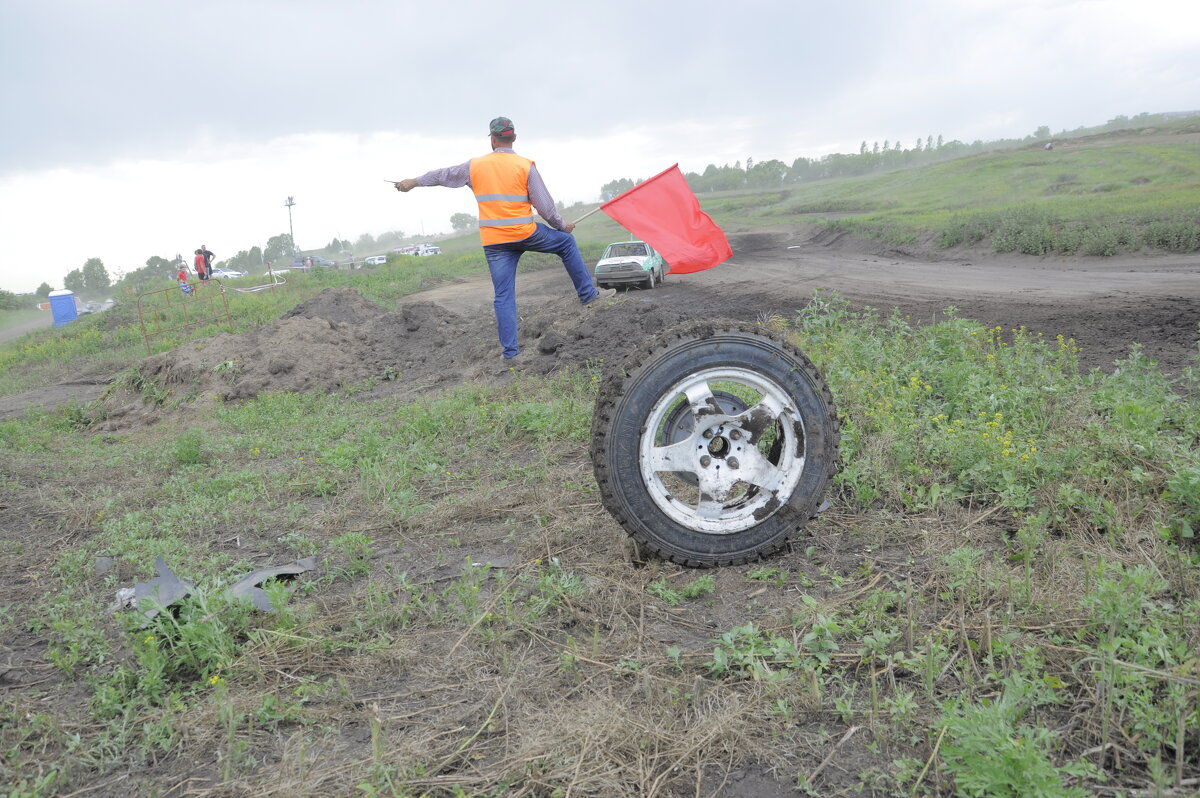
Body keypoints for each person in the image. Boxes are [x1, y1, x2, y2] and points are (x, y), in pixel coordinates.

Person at [394, 116, 615, 360]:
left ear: (493, 139)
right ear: (514, 138)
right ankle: (587, 295)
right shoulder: (525, 165)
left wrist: (413, 182)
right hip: (526, 233)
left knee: (504, 295)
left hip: (495, 242)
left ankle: (510, 353)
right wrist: (563, 226)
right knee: (566, 243)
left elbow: (442, 175)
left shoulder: (474, 166)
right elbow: (545, 207)